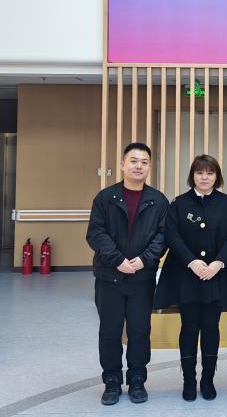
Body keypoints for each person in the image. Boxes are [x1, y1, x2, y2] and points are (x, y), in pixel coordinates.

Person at [86, 142, 169, 405]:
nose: (138, 166)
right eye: (133, 161)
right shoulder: (105, 198)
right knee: (110, 332)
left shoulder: (158, 201)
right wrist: (118, 260)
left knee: (139, 331)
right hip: (109, 277)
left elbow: (163, 236)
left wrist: (144, 260)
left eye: (144, 162)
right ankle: (111, 380)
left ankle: (137, 380)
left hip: (142, 279)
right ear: (122, 164)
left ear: (149, 167)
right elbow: (96, 233)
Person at [154, 155, 227, 401]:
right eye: (200, 172)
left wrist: (219, 262)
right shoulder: (179, 204)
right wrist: (191, 261)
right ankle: (189, 381)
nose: (204, 177)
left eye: (210, 173)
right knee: (189, 327)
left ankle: (208, 380)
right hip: (187, 275)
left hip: (216, 274)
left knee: (211, 328)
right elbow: (172, 236)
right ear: (192, 175)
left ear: (217, 176)